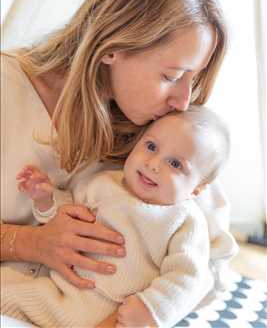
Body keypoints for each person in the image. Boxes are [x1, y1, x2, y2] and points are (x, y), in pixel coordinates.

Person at [1, 0, 237, 327]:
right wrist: (28, 243)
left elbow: (212, 268)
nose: (184, 100)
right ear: (114, 47)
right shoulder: (7, 90)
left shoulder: (163, 136)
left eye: (194, 78)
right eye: (172, 76)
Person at [2, 106, 235, 328]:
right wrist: (46, 198)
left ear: (196, 189)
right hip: (58, 294)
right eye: (151, 146)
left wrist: (152, 309)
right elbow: (68, 218)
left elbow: (188, 276)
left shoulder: (185, 220)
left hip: (112, 314)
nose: (153, 164)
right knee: (7, 297)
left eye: (175, 164)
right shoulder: (105, 183)